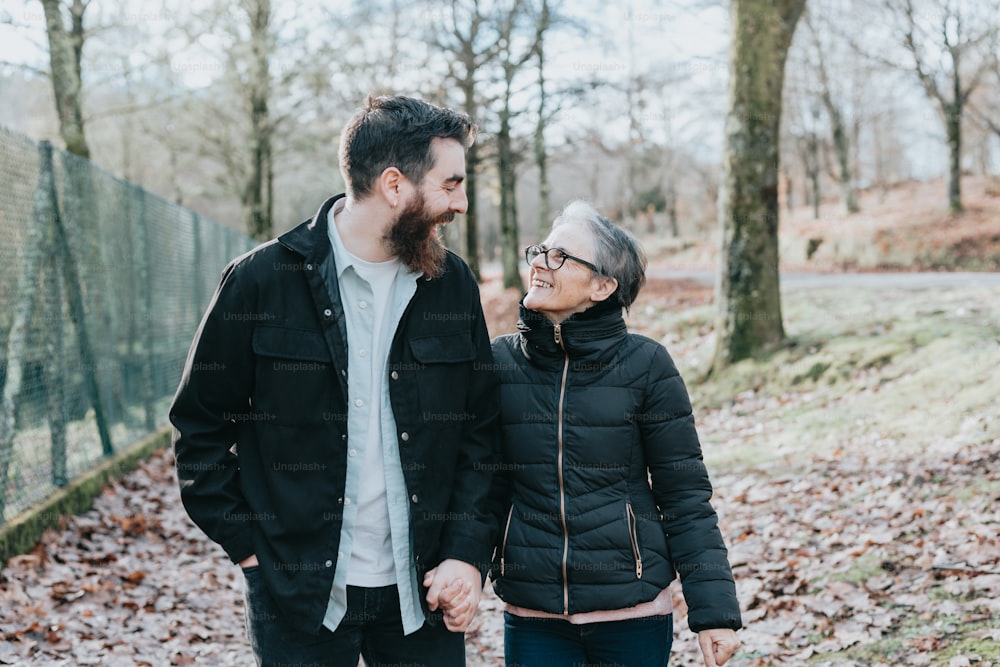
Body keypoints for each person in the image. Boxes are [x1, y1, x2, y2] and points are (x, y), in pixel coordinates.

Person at [169, 94, 499, 667]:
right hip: (296, 600)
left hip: (423, 595)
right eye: (450, 185)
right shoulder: (261, 281)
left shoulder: (452, 285)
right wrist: (252, 552)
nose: (461, 203)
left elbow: (482, 432)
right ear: (395, 186)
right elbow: (199, 426)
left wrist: (467, 555)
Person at [488, 200, 742, 667]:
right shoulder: (499, 363)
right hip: (533, 614)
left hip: (633, 613)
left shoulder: (647, 365)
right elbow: (480, 484)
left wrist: (714, 612)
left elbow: (684, 494)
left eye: (561, 255)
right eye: (541, 250)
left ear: (603, 286)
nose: (541, 262)